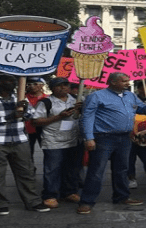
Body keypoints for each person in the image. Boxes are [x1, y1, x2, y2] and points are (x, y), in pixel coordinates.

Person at [77, 73, 146, 214]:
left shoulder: (130, 96)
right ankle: (86, 201)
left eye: (128, 80)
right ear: (113, 82)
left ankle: (121, 196)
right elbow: (87, 117)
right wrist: (88, 138)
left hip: (125, 138)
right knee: (96, 170)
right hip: (103, 138)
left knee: (122, 169)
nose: (128, 83)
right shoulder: (97, 96)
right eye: (124, 81)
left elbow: (143, 110)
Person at [0, 74, 50, 215]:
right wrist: (8, 117)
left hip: (19, 141)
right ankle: (0, 203)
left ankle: (32, 201)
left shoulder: (20, 98)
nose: (10, 83)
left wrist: (25, 109)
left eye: (12, 81)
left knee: (26, 173)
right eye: (7, 80)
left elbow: (31, 116)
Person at [31, 77, 84, 209]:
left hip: (74, 139)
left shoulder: (77, 100)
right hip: (53, 141)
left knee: (72, 168)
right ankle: (50, 195)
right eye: (59, 85)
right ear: (52, 88)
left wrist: (82, 110)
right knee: (52, 169)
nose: (63, 88)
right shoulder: (46, 102)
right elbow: (35, 121)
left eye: (66, 85)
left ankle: (70, 192)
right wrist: (59, 117)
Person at [25, 77, 48, 159]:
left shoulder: (47, 99)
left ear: (42, 86)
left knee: (48, 152)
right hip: (27, 130)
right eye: (29, 84)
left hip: (43, 130)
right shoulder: (23, 98)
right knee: (27, 154)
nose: (32, 86)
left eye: (35, 84)